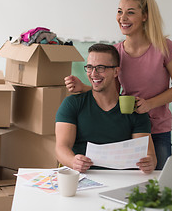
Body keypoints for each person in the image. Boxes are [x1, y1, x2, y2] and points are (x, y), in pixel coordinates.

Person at [64, 0, 172, 170]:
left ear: (144, 16)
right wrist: (83, 87)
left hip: (157, 129)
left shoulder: (164, 47)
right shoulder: (117, 52)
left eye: (130, 12)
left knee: (156, 184)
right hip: (127, 129)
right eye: (120, 11)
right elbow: (112, 91)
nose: (122, 18)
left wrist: (150, 104)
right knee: (127, 184)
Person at [55, 43, 157, 174]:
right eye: (90, 67)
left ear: (116, 71)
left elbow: (149, 155)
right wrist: (73, 161)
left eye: (100, 68)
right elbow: (61, 148)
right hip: (82, 178)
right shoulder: (72, 104)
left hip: (121, 180)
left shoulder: (134, 109)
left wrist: (149, 162)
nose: (93, 73)